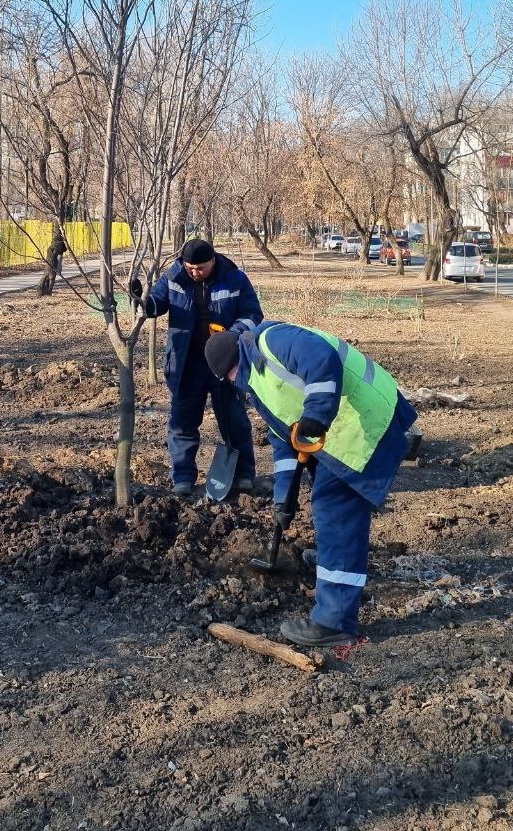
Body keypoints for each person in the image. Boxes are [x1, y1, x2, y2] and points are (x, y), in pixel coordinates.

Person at [205, 320, 417, 648]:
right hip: (340, 432)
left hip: (362, 421)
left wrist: (316, 414)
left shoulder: (271, 342)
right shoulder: (256, 383)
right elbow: (283, 441)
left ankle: (334, 621)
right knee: (330, 506)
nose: (232, 383)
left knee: (335, 510)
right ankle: (336, 560)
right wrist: (282, 500)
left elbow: (321, 358)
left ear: (233, 365)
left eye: (229, 377)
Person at [130, 238, 262, 496]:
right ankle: (182, 478)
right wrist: (140, 298)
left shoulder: (235, 278)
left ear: (213, 260)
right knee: (182, 422)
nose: (194, 272)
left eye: (199, 268)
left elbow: (252, 314)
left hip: (226, 363)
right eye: (190, 267)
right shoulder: (174, 277)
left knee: (234, 420)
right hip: (187, 363)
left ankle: (244, 473)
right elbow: (155, 305)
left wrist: (231, 336)